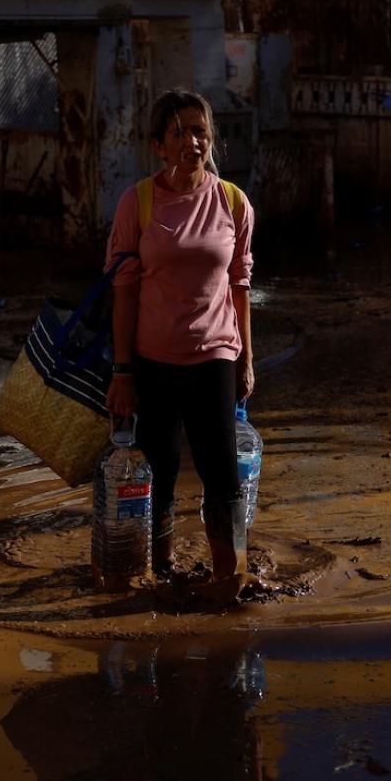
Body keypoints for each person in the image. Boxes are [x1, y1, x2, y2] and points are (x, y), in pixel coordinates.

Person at [104, 87, 256, 595]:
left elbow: (240, 285)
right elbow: (123, 291)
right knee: (159, 474)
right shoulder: (138, 203)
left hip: (215, 356)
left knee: (222, 473)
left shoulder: (233, 202)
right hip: (152, 361)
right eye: (179, 132)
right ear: (159, 146)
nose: (192, 140)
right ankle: (158, 573)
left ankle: (229, 578)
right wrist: (122, 371)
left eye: (199, 130)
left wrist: (246, 361)